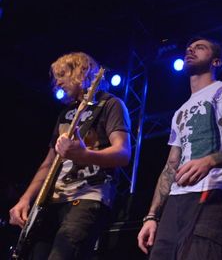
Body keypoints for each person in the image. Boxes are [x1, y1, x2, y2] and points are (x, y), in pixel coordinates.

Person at [9, 51, 131, 259]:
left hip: (88, 195)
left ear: (82, 72)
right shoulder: (65, 113)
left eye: (62, 75)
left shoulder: (110, 104)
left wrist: (84, 154)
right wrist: (25, 199)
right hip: (52, 200)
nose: (57, 82)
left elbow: (123, 153)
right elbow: (48, 163)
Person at [137, 37, 222, 259]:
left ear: (216, 61)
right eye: (189, 47)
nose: (190, 50)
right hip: (176, 200)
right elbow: (171, 166)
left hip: (215, 190)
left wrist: (210, 161)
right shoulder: (180, 111)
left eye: (200, 47)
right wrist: (151, 216)